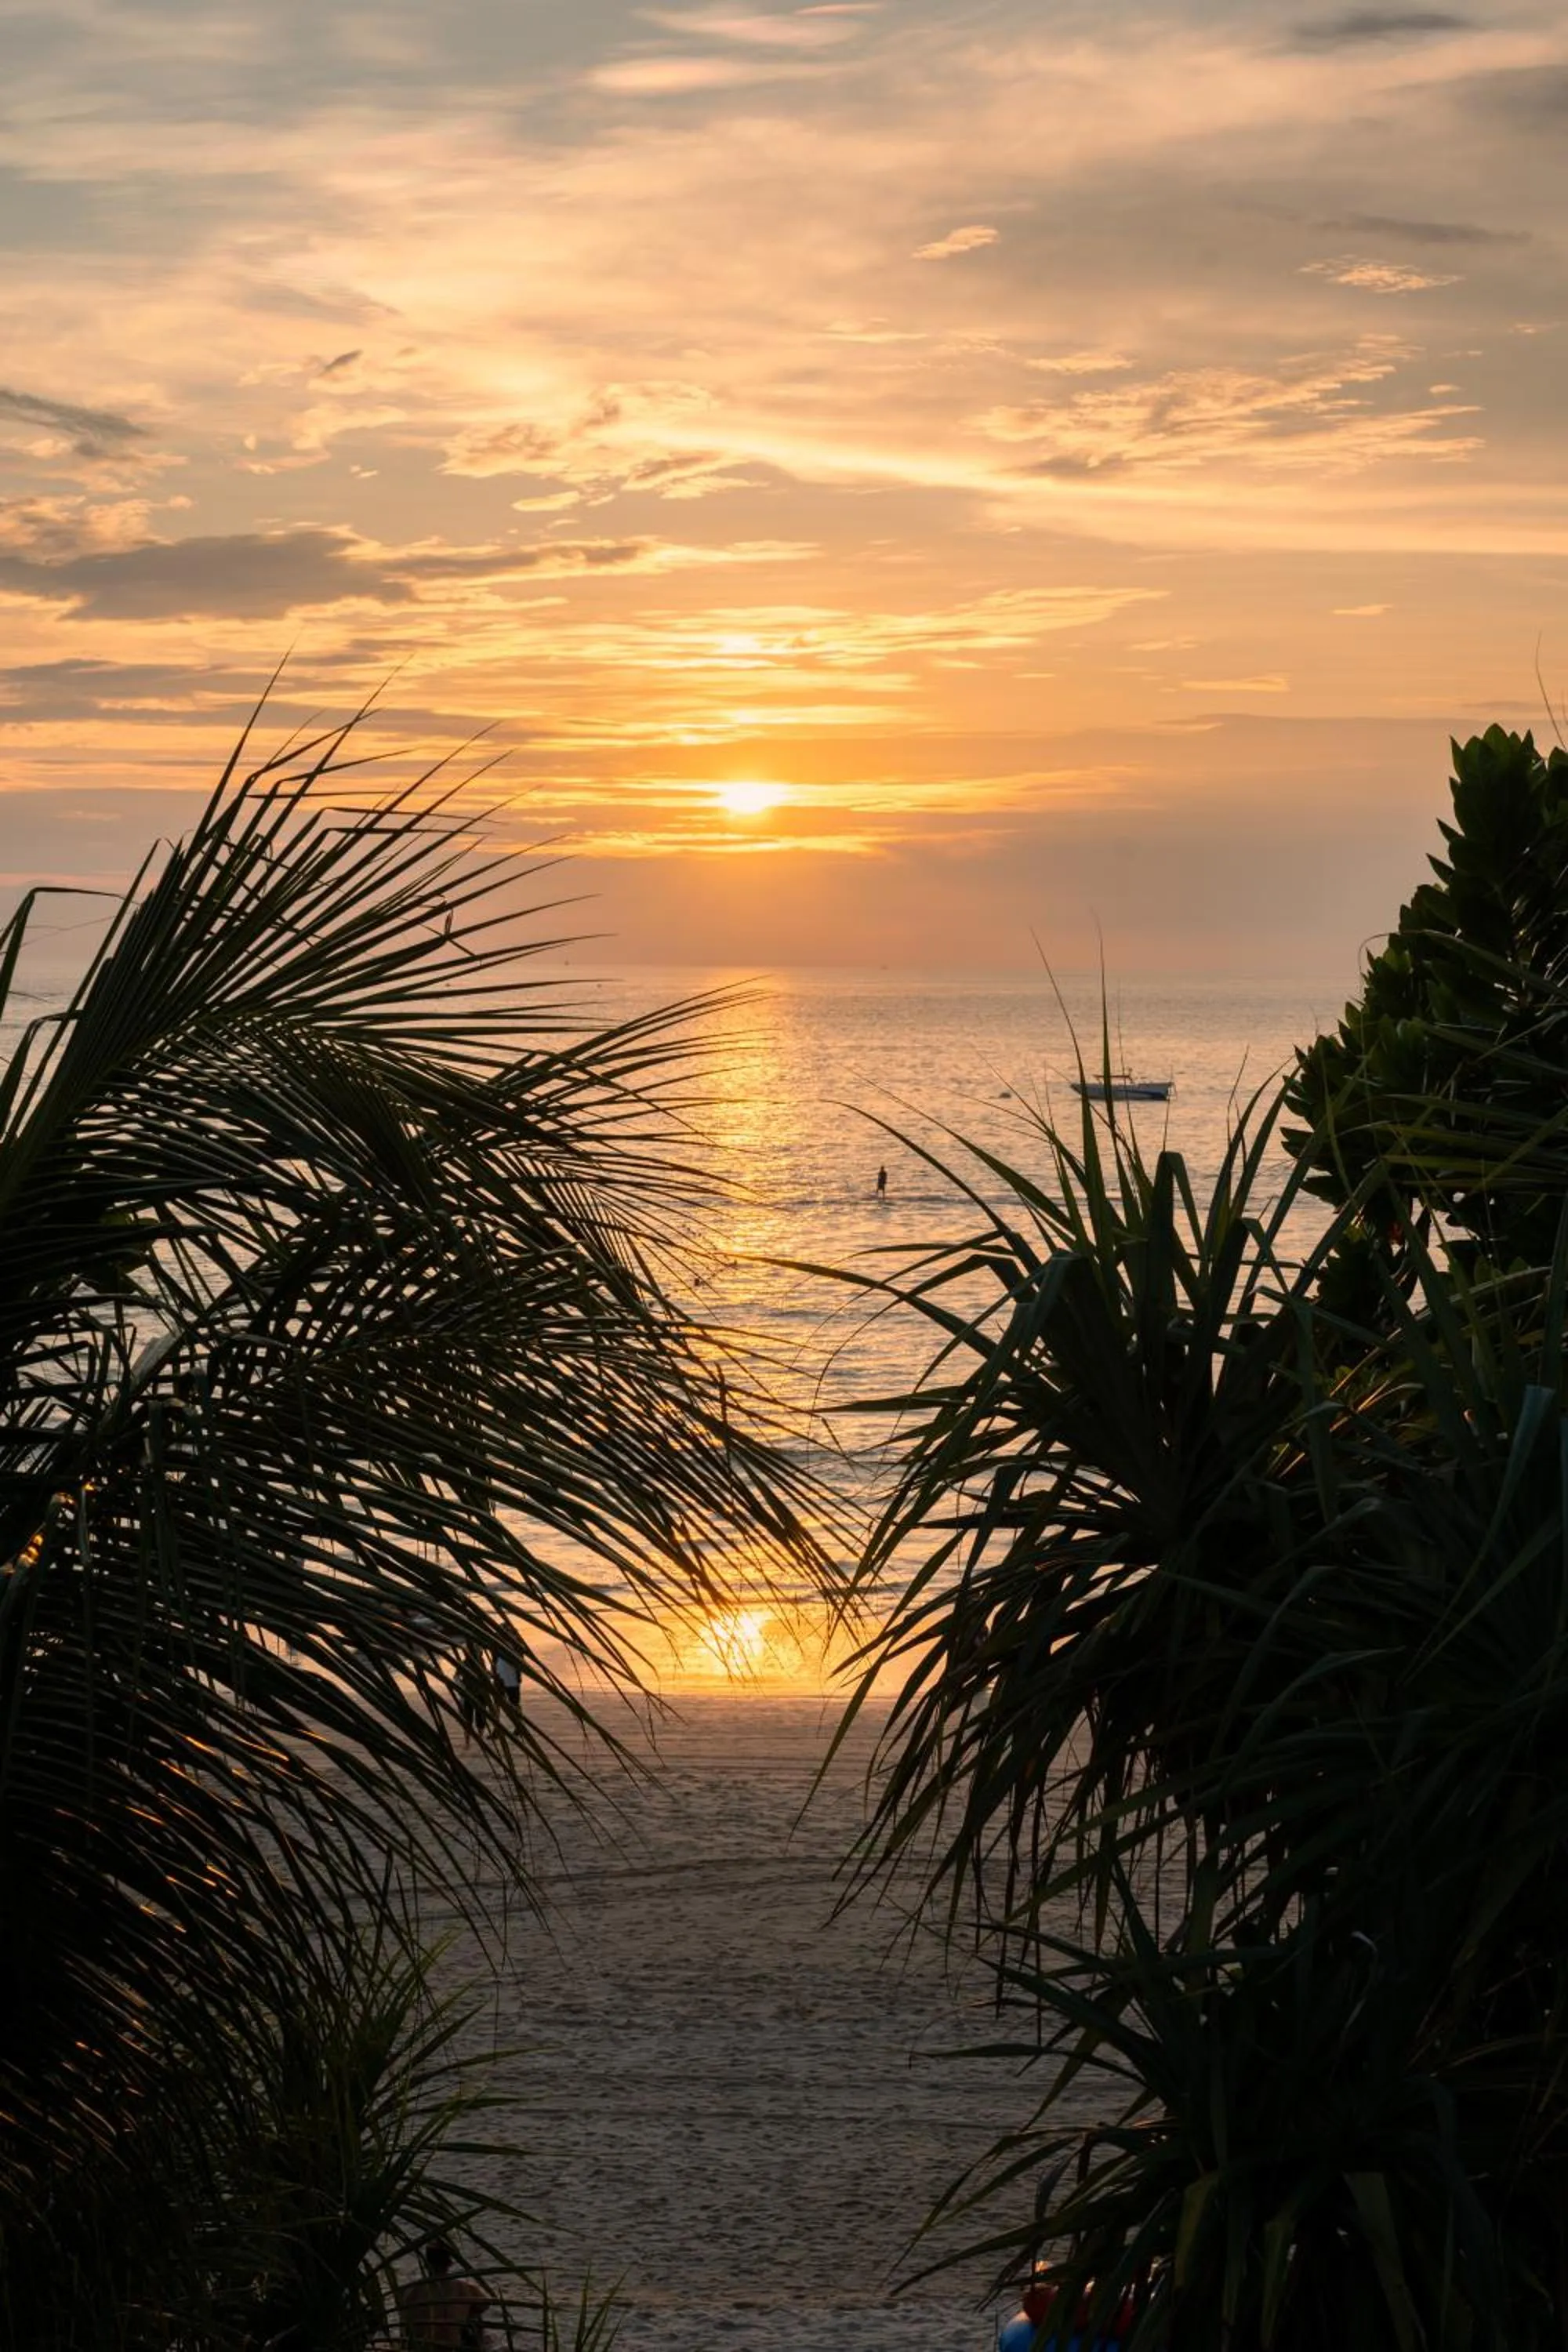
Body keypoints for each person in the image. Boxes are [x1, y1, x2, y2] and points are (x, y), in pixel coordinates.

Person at [397, 2238, 488, 2349]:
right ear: (449, 2263)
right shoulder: (463, 2288)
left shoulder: (408, 2290)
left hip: (418, 2346)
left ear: (426, 2263)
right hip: (450, 2347)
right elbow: (485, 2304)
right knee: (475, 2319)